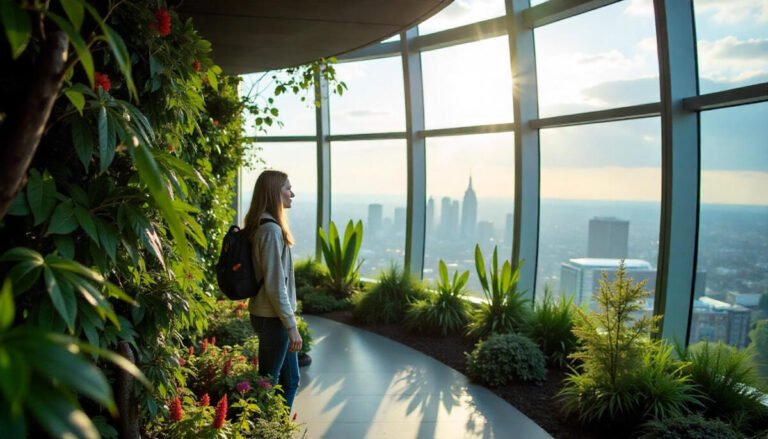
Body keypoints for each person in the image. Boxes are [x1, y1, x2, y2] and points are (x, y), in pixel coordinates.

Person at [244, 169, 301, 411]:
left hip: (272, 317)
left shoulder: (268, 226)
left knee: (290, 380)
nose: (292, 194)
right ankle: (266, 428)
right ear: (273, 193)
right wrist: (291, 325)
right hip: (273, 319)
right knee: (269, 383)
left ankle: (275, 428)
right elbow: (276, 285)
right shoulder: (270, 231)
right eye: (287, 188)